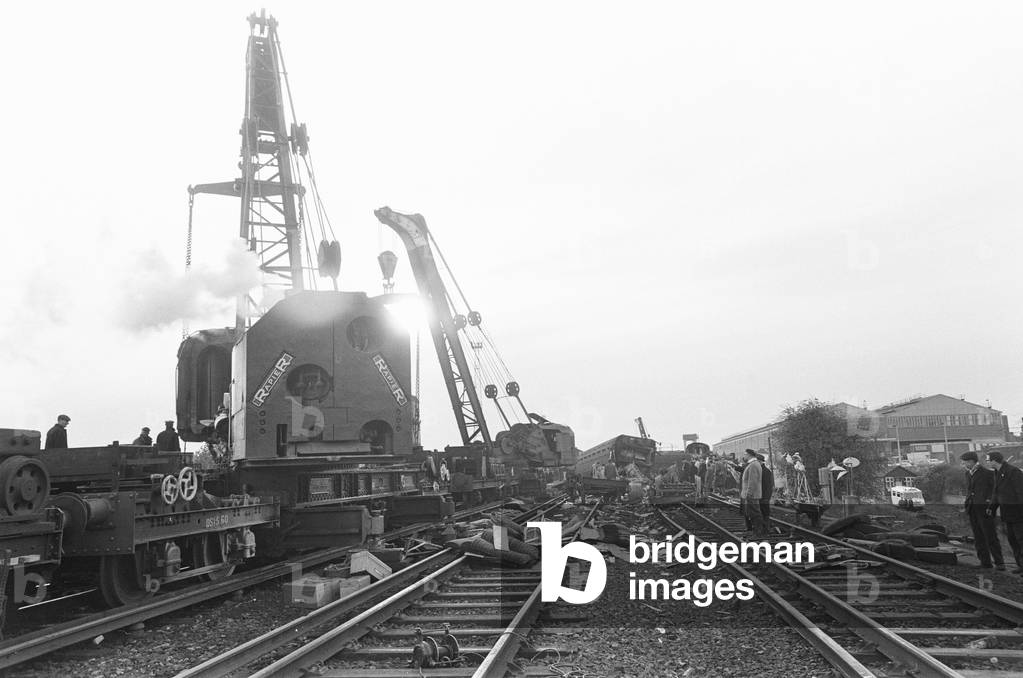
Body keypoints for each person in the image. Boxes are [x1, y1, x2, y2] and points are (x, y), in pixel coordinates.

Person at [962, 452, 1004, 570]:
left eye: (965, 462)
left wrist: (989, 503)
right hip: (972, 509)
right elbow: (970, 490)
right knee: (978, 537)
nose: (963, 464)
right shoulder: (968, 474)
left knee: (990, 536)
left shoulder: (987, 473)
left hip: (985, 510)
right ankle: (985, 562)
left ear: (971, 461)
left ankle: (1000, 563)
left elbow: (994, 490)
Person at [988, 451, 1023, 573]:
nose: (987, 462)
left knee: (1021, 539)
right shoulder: (997, 473)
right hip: (1007, 513)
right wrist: (991, 508)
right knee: (1013, 540)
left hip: (1018, 513)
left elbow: (1020, 492)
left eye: (988, 460)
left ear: (994, 460)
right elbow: (997, 493)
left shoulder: (1013, 471)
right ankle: (1020, 565)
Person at [740, 449, 766, 537]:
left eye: (745, 454)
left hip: (752, 495)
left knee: (755, 513)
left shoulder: (753, 465)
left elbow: (752, 481)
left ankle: (758, 532)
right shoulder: (753, 464)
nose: (744, 456)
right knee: (752, 513)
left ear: (749, 455)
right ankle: (755, 531)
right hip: (752, 494)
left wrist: (749, 494)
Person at [758, 453, 774, 527]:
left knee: (765, 513)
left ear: (760, 461)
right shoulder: (759, 470)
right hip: (759, 496)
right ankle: (763, 528)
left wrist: (767, 498)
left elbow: (769, 486)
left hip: (764, 497)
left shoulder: (766, 471)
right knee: (760, 513)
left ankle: (766, 529)